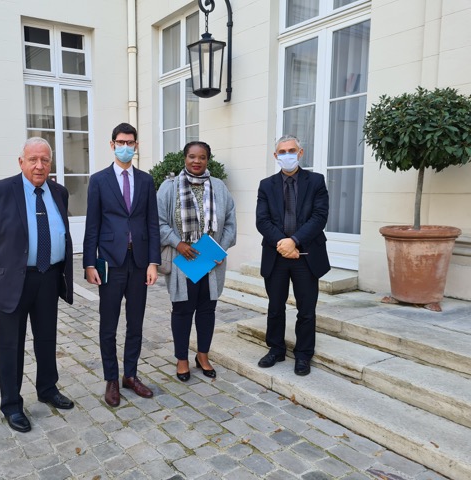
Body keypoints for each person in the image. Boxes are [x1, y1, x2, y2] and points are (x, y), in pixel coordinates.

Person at [0, 137, 75, 433]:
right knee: (11, 344)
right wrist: (3, 260)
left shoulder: (59, 192)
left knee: (46, 338)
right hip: (13, 281)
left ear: (50, 163)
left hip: (49, 277)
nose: (39, 166)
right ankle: (12, 404)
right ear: (21, 162)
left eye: (45, 160)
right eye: (33, 160)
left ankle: (48, 388)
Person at [83, 123, 161, 407]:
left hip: (139, 262)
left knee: (135, 322)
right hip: (110, 262)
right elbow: (92, 224)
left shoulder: (146, 180)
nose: (125, 147)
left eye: (130, 142)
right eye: (120, 142)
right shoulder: (99, 180)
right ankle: (111, 379)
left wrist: (153, 262)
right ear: (112, 144)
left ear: (136, 146)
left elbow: (152, 224)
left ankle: (130, 375)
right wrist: (89, 263)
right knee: (109, 324)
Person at [157, 141, 236, 381]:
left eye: (202, 157)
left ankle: (203, 356)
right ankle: (182, 359)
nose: (197, 161)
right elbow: (157, 222)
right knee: (182, 310)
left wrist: (220, 249)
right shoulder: (169, 187)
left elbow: (230, 221)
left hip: (211, 261)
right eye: (192, 156)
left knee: (207, 310)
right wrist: (177, 243)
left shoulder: (219, 187)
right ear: (185, 158)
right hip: (183, 259)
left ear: (207, 160)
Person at [255, 134, 330, 376]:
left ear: (300, 153)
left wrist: (294, 241)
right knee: (275, 307)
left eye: (291, 150)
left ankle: (303, 354)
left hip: (306, 255)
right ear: (275, 156)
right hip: (276, 255)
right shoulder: (266, 185)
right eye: (282, 151)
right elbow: (262, 220)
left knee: (306, 310)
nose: (287, 155)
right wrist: (283, 243)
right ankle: (276, 349)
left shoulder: (316, 181)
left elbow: (319, 217)